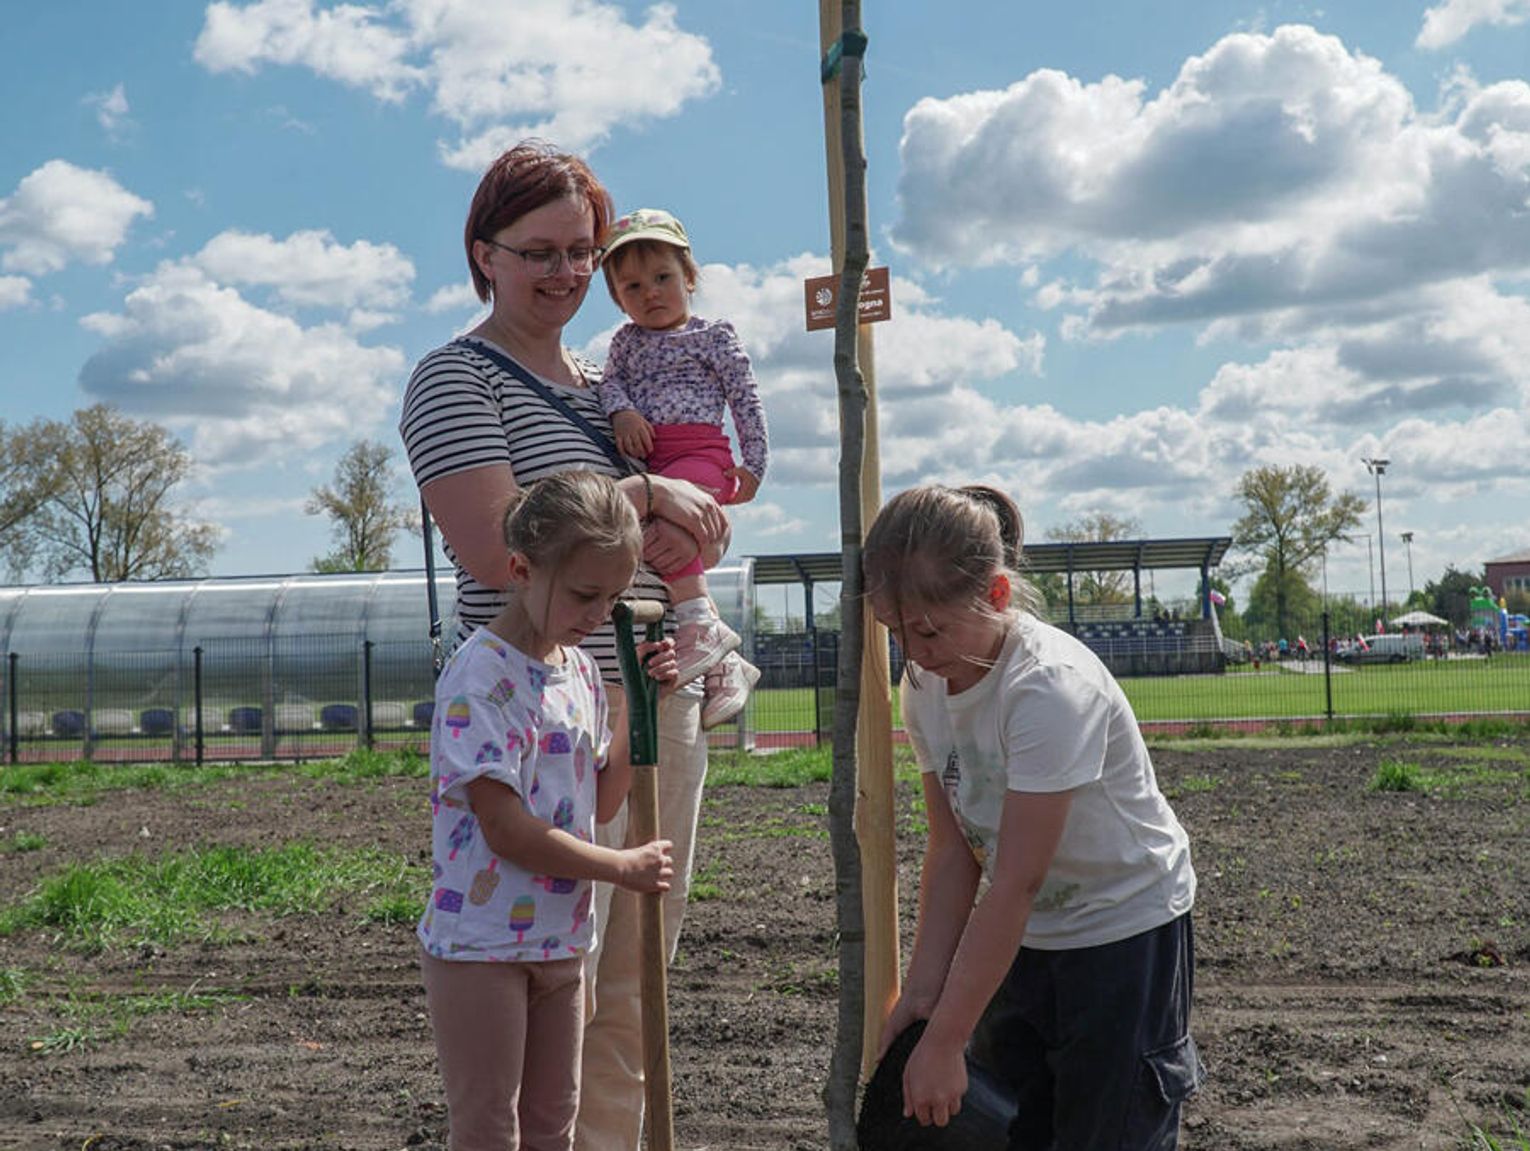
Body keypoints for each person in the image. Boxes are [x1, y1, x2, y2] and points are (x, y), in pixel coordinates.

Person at [399, 139, 731, 1151]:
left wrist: (701, 514)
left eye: (582, 252)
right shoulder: (456, 379)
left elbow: (689, 495)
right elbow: (501, 549)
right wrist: (642, 496)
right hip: (537, 707)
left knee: (635, 968)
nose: (565, 274)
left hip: (648, 687)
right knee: (555, 968)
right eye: (538, 250)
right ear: (483, 253)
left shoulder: (615, 382)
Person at [862, 483, 1204, 1150]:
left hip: (1124, 931)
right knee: (1021, 1126)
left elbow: (1015, 877)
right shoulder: (924, 686)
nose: (914, 650)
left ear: (995, 594)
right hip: (1025, 938)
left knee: (1110, 1130)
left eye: (929, 629)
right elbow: (953, 851)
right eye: (895, 630)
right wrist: (925, 998)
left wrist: (950, 1037)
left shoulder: (1047, 687)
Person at [418, 470, 677, 1150]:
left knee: (551, 1125)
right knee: (487, 1128)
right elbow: (505, 829)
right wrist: (620, 866)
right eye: (585, 593)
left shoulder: (580, 671)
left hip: (561, 939)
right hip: (482, 944)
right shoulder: (479, 676)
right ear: (521, 569)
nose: (598, 614)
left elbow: (603, 796)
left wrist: (641, 708)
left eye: (614, 597)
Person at [597, 207, 767, 704]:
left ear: (690, 278)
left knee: (669, 539)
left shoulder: (713, 336)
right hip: (650, 464)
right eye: (632, 287)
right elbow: (610, 385)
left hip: (699, 457)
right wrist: (623, 412)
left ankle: (701, 628)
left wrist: (753, 463)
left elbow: (745, 398)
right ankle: (726, 660)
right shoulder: (625, 343)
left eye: (662, 278)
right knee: (644, 538)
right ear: (617, 298)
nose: (650, 292)